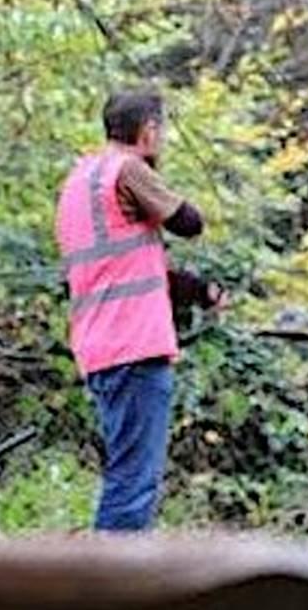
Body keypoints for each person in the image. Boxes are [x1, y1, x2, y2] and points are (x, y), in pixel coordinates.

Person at [54, 90, 223, 532]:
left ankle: (107, 584)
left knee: (126, 471)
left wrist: (199, 291)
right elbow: (189, 222)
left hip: (100, 344)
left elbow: (121, 266)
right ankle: (110, 590)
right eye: (159, 129)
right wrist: (154, 170)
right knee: (133, 482)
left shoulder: (81, 180)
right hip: (134, 346)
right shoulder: (127, 169)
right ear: (148, 130)